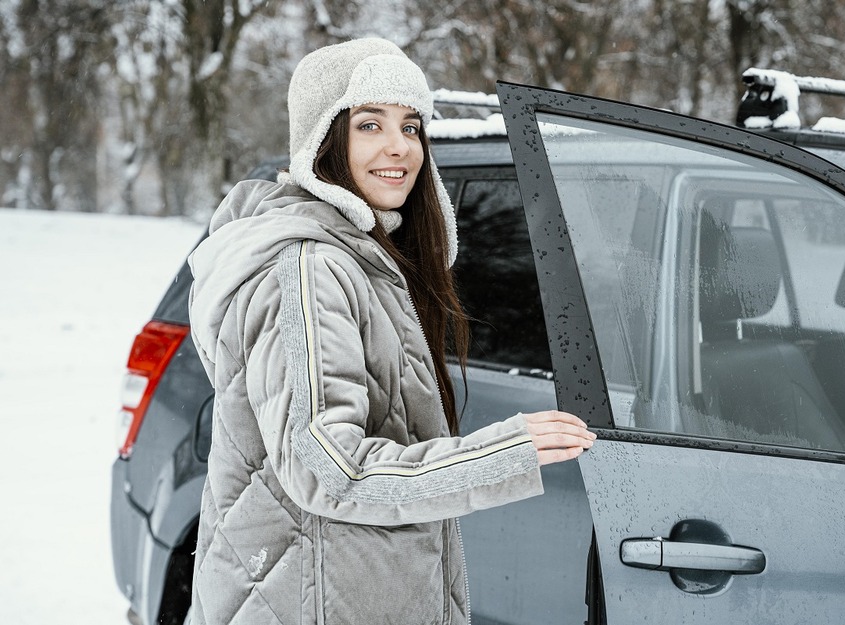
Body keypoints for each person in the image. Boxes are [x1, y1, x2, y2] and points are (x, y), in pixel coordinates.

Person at [186, 38, 595, 625]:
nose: (399, 147)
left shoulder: (369, 261)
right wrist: (507, 451)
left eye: (411, 126)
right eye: (370, 125)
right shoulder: (308, 270)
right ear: (324, 141)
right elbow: (332, 467)